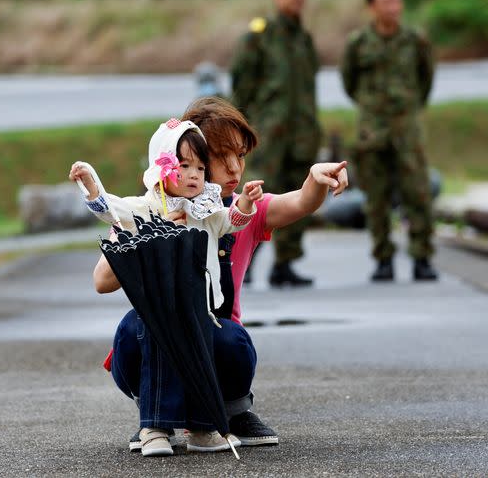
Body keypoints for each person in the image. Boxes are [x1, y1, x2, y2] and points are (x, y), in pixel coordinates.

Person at [93, 97, 349, 453]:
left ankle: (232, 409)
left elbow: (300, 202)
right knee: (131, 328)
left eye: (240, 156)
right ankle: (155, 418)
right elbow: (103, 281)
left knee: (229, 338)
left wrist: (316, 179)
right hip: (153, 347)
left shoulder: (240, 211)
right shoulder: (146, 209)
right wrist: (156, 235)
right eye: (219, 156)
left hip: (215, 342)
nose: (234, 169)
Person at [70, 118, 264, 456]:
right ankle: (154, 426)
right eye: (184, 165)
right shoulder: (146, 207)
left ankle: (204, 430)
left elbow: (231, 223)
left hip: (198, 307)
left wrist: (246, 203)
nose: (193, 175)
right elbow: (110, 209)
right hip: (158, 307)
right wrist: (91, 183)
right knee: (157, 339)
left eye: (201, 168)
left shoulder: (206, 209)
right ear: (162, 168)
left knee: (202, 349)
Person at [340, 0, 438, 282]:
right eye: (386, 2)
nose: (393, 8)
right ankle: (383, 259)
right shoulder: (358, 43)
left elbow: (426, 80)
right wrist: (373, 109)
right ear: (372, 6)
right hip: (372, 132)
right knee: (376, 199)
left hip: (407, 130)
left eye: (397, 1)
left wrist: (406, 108)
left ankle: (422, 257)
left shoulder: (415, 40)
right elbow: (349, 83)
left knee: (418, 194)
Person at [229, 0, 321, 288]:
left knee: (299, 194)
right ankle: (243, 262)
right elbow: (241, 87)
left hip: (301, 132)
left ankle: (286, 264)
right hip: (268, 133)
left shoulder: (303, 38)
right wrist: (243, 129)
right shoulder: (260, 36)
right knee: (256, 196)